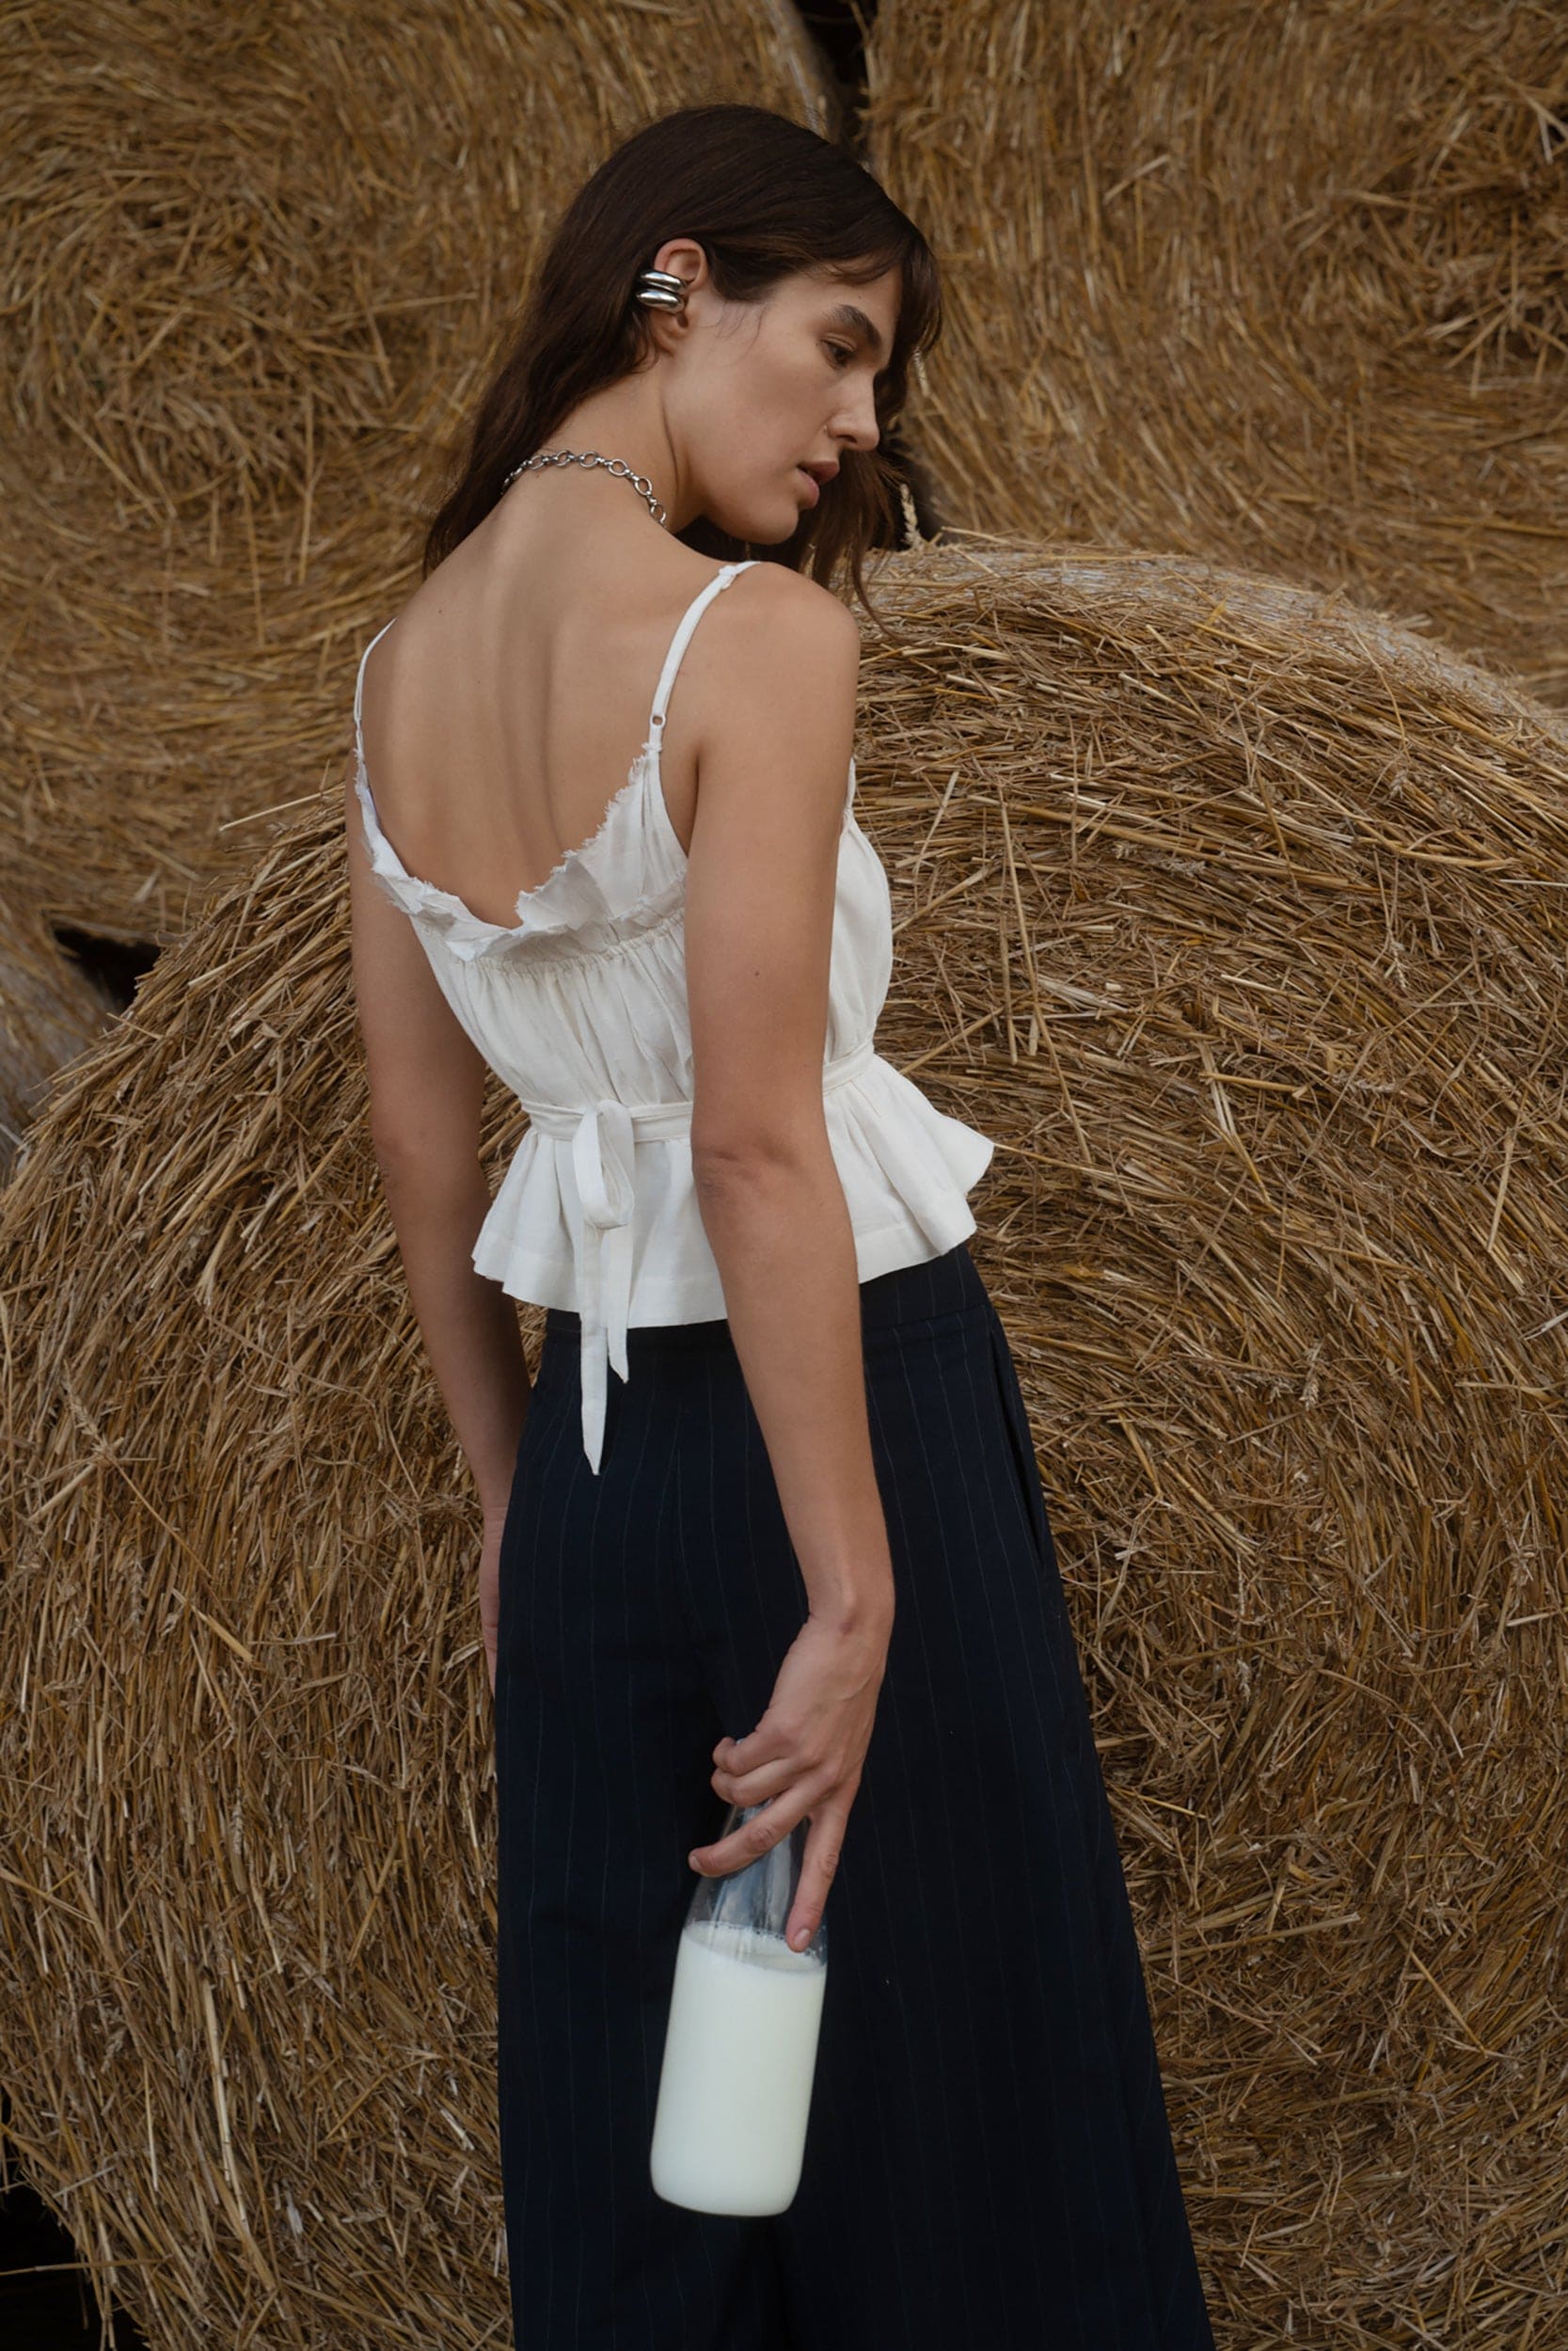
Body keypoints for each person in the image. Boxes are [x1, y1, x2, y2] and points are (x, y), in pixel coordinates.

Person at [345, 100, 1215, 2351]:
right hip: (850, 1410)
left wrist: (514, 1504)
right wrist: (852, 1583)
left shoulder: (394, 673)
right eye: (835, 347)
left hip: (598, 1468)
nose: (853, 424)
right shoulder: (752, 638)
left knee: (658, 2169)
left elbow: (424, 1158)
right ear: (673, 285)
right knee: (963, 2106)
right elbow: (757, 1148)